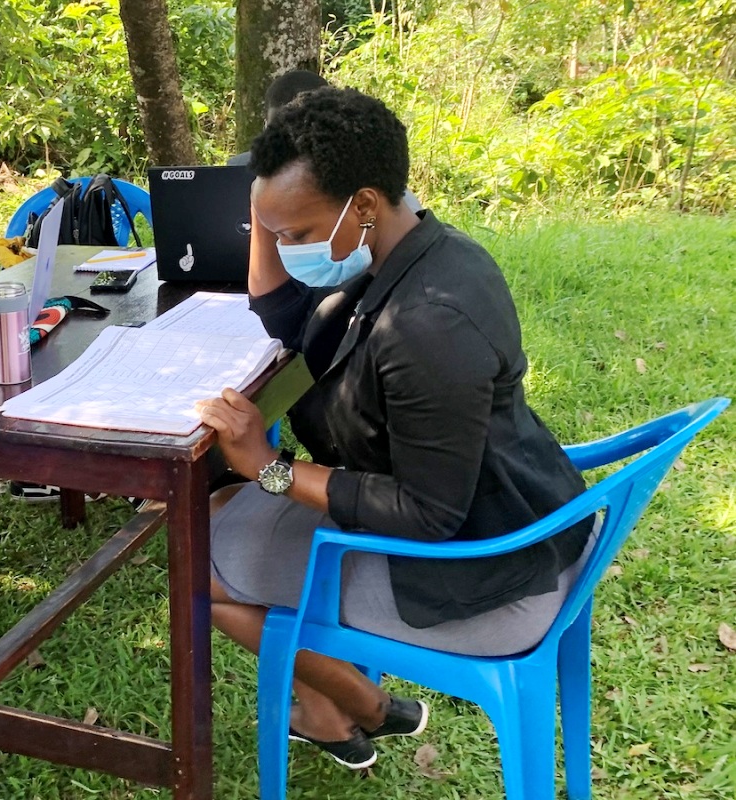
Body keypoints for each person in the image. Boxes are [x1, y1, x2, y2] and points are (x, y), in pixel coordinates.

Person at [196, 88, 595, 769]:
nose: (286, 248)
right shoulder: (408, 254)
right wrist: (266, 214)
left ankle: (364, 705)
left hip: (486, 571)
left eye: (296, 233)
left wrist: (272, 467)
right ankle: (329, 711)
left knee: (196, 567)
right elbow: (286, 315)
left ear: (365, 205)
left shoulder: (429, 322)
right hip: (501, 504)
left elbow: (427, 513)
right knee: (216, 510)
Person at [228, 69, 422, 213]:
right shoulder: (239, 172)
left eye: (301, 140)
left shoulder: (368, 182)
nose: (288, 154)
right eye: (277, 136)